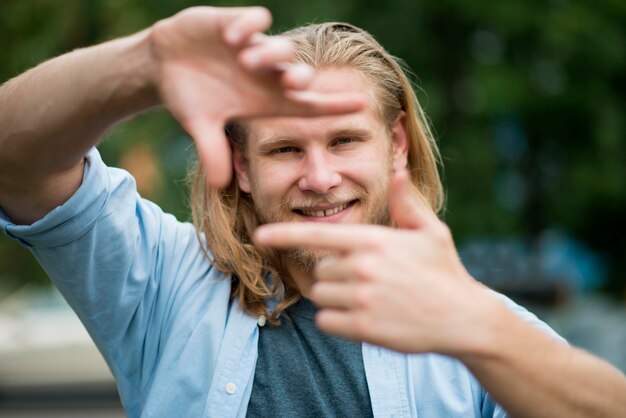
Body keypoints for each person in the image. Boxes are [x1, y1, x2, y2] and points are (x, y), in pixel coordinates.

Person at [0, 5, 625, 418]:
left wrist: (478, 329)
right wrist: (144, 66)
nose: (320, 178)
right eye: (285, 149)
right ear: (241, 167)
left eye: (346, 140)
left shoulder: (474, 324)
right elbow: (14, 158)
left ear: (396, 147)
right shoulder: (164, 288)